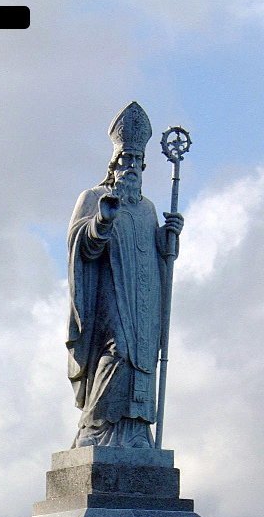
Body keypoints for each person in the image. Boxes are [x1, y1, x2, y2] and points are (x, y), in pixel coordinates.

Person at [66, 101, 184, 448]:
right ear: (113, 165)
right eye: (125, 161)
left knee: (142, 358)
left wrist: (167, 239)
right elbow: (80, 247)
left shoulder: (147, 209)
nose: (131, 167)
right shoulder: (95, 197)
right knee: (117, 352)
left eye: (137, 162)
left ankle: (134, 432)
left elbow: (153, 254)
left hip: (144, 301)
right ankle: (96, 428)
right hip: (110, 296)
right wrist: (101, 221)